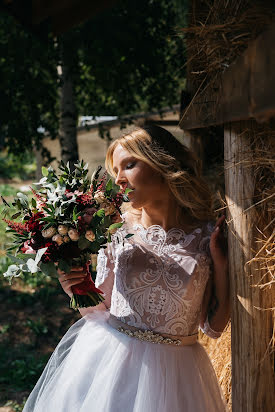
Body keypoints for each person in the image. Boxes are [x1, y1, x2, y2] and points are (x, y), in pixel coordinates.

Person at [23, 125, 230, 412]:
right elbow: (99, 311)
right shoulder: (115, 228)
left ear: (162, 162)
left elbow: (213, 327)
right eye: (115, 170)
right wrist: (76, 288)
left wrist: (220, 261)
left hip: (178, 376)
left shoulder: (208, 235)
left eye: (129, 165)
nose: (119, 179)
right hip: (112, 365)